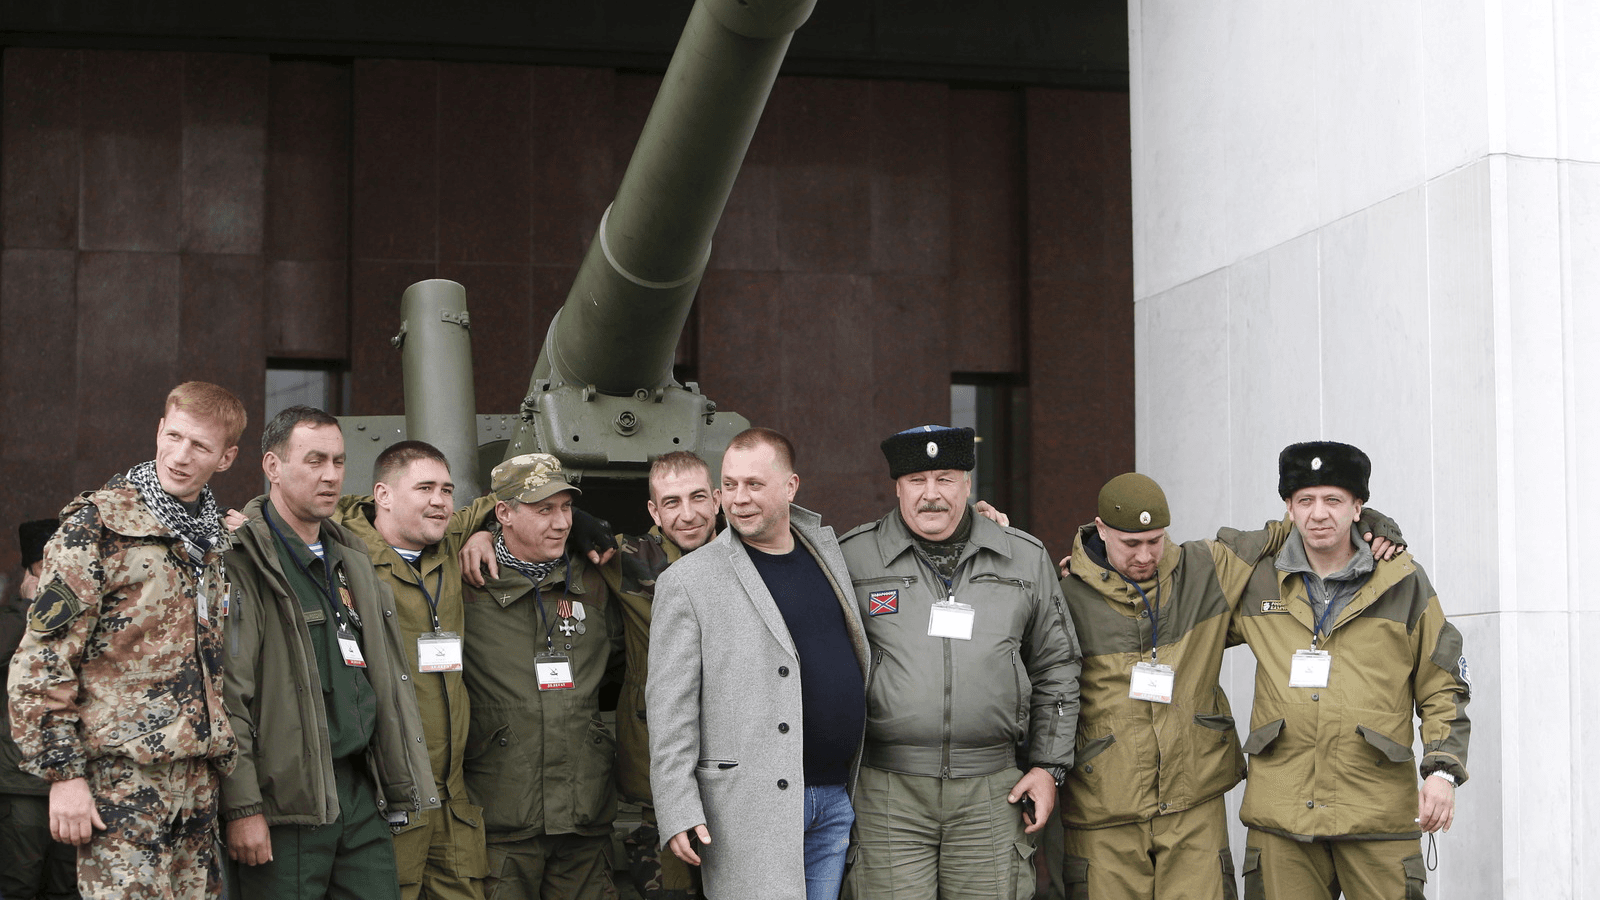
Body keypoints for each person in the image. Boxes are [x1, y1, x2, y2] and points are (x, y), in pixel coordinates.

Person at [8, 382, 245, 899]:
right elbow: (42, 659)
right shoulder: (96, 526)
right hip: (120, 780)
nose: (180, 456)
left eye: (200, 446)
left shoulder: (213, 541)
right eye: (174, 436)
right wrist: (63, 776)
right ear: (159, 429)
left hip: (197, 780)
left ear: (225, 458)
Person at [837, 424, 1080, 900]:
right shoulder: (853, 558)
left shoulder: (1023, 557)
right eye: (916, 481)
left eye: (945, 478)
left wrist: (1049, 767)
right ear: (897, 487)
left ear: (968, 484)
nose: (931, 495)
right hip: (889, 793)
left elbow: (1057, 665)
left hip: (992, 792)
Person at [1230, 441, 1471, 900]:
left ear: (1359, 506)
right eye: (1305, 500)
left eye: (1334, 500)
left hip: (1376, 811)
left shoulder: (1402, 580)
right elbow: (1179, 610)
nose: (1318, 514)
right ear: (1288, 507)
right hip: (1283, 816)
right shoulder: (1256, 580)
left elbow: (1443, 681)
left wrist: (1442, 771)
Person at [222, 406, 436, 900]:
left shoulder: (352, 557)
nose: (331, 475)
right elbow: (228, 696)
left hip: (360, 791)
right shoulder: (241, 559)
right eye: (314, 460)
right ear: (272, 467)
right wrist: (242, 808)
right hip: (287, 802)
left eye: (339, 462)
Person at [648, 428, 869, 900]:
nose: (739, 499)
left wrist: (982, 517)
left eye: (754, 485)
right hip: (746, 809)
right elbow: (670, 711)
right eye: (729, 486)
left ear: (790, 487)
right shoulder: (688, 581)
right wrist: (677, 807)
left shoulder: (828, 553)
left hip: (833, 798)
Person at [334, 442, 497, 900]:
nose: (440, 500)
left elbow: (504, 502)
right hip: (387, 795)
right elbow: (284, 508)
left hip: (452, 799)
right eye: (424, 488)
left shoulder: (446, 540)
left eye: (446, 489)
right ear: (383, 495)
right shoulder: (345, 549)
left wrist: (484, 529)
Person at [459, 452, 624, 900]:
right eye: (544, 509)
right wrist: (475, 533)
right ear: (505, 514)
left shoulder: (594, 575)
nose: (561, 522)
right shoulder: (463, 581)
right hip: (502, 819)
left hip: (583, 818)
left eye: (567, 508)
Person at [0, 519, 80, 900]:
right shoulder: (14, 618)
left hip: (79, 779)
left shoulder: (83, 611)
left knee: (67, 886)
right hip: (23, 783)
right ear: (28, 572)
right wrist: (32, 607)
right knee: (19, 882)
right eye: (42, 566)